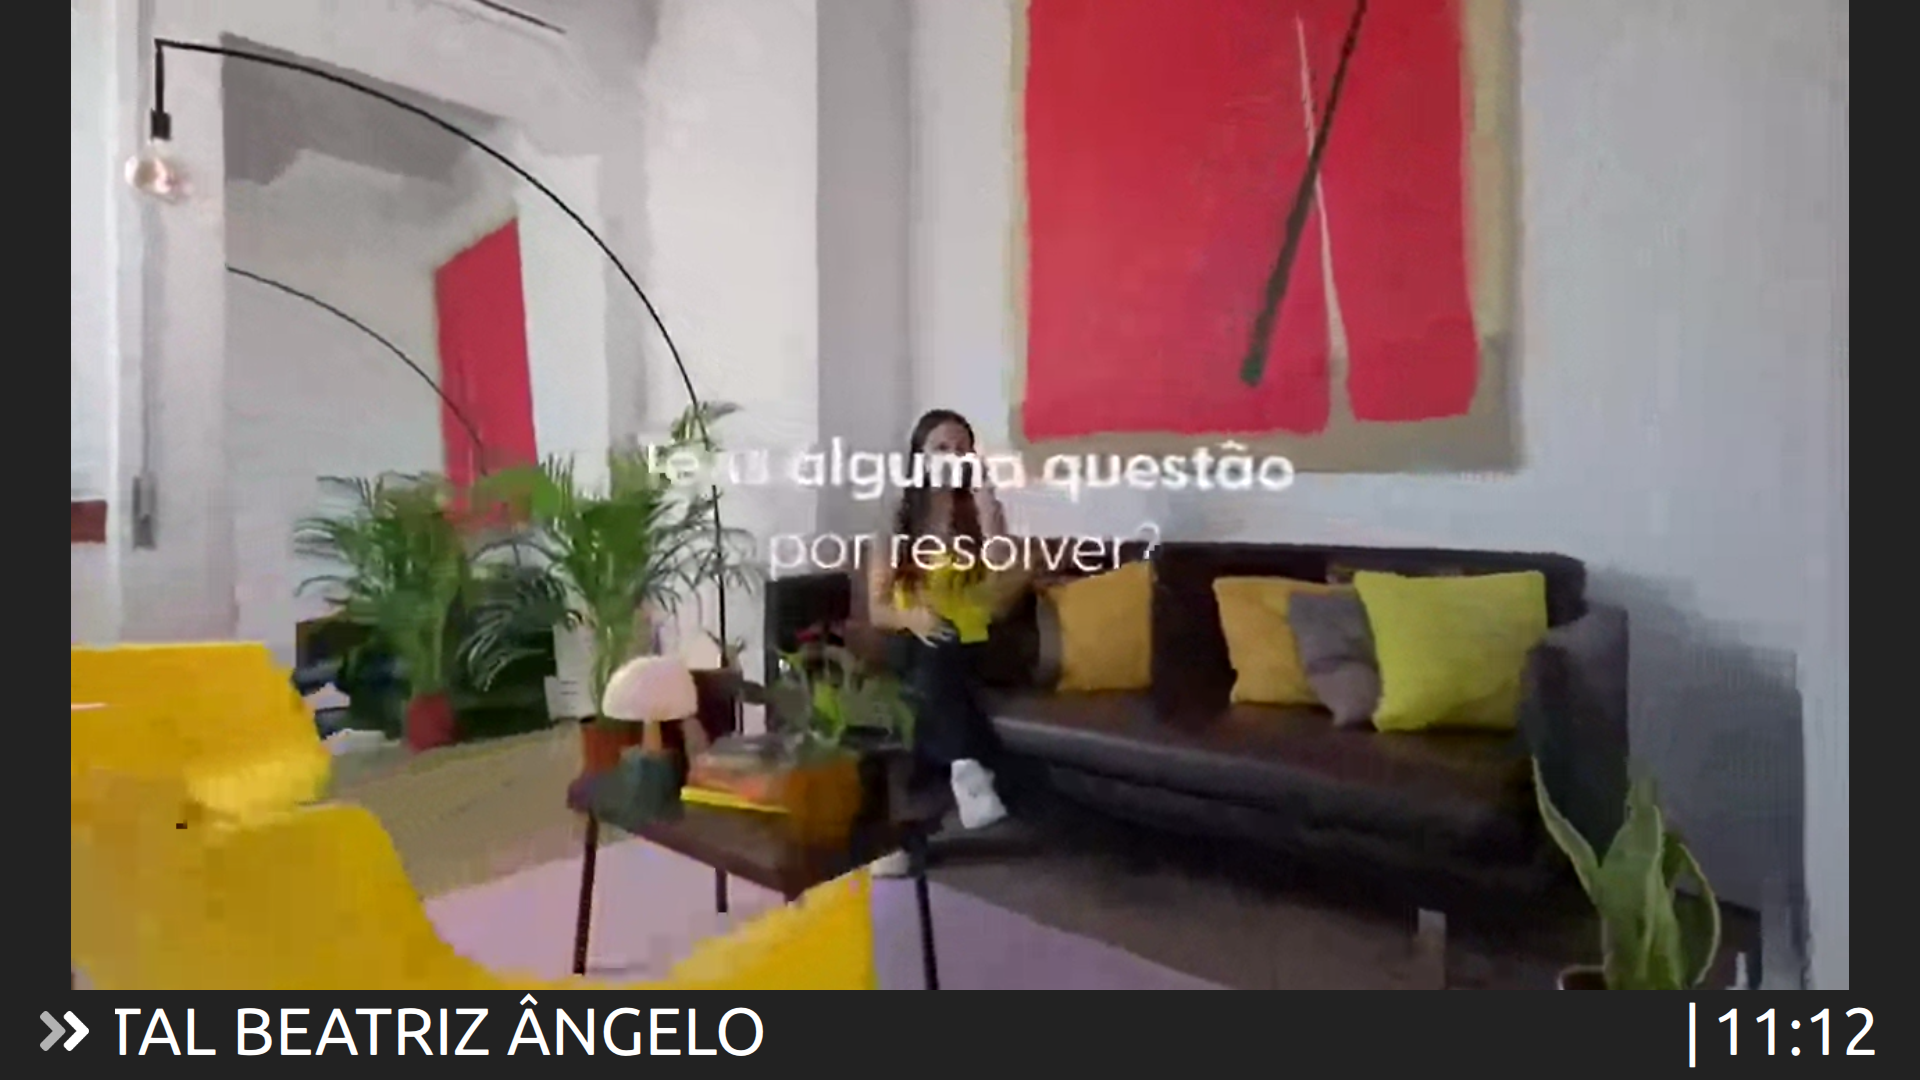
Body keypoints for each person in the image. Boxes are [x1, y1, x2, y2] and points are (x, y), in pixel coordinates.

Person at [866, 410, 1013, 874]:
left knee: (927, 673)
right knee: (924, 665)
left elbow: (1001, 577)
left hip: (977, 641)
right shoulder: (897, 521)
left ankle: (906, 843)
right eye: (941, 448)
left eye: (961, 449)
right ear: (920, 457)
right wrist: (914, 617)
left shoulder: (980, 512)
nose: (952, 457)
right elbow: (877, 609)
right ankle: (967, 769)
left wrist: (988, 505)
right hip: (918, 640)